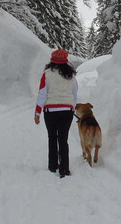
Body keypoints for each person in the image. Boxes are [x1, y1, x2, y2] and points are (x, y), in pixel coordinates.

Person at [34, 49, 78, 178]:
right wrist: (72, 108)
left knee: (52, 137)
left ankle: (53, 165)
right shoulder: (71, 75)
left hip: (51, 110)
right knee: (63, 139)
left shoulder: (47, 74)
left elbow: (42, 93)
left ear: (52, 60)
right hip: (67, 110)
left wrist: (37, 112)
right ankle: (64, 168)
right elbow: (74, 94)